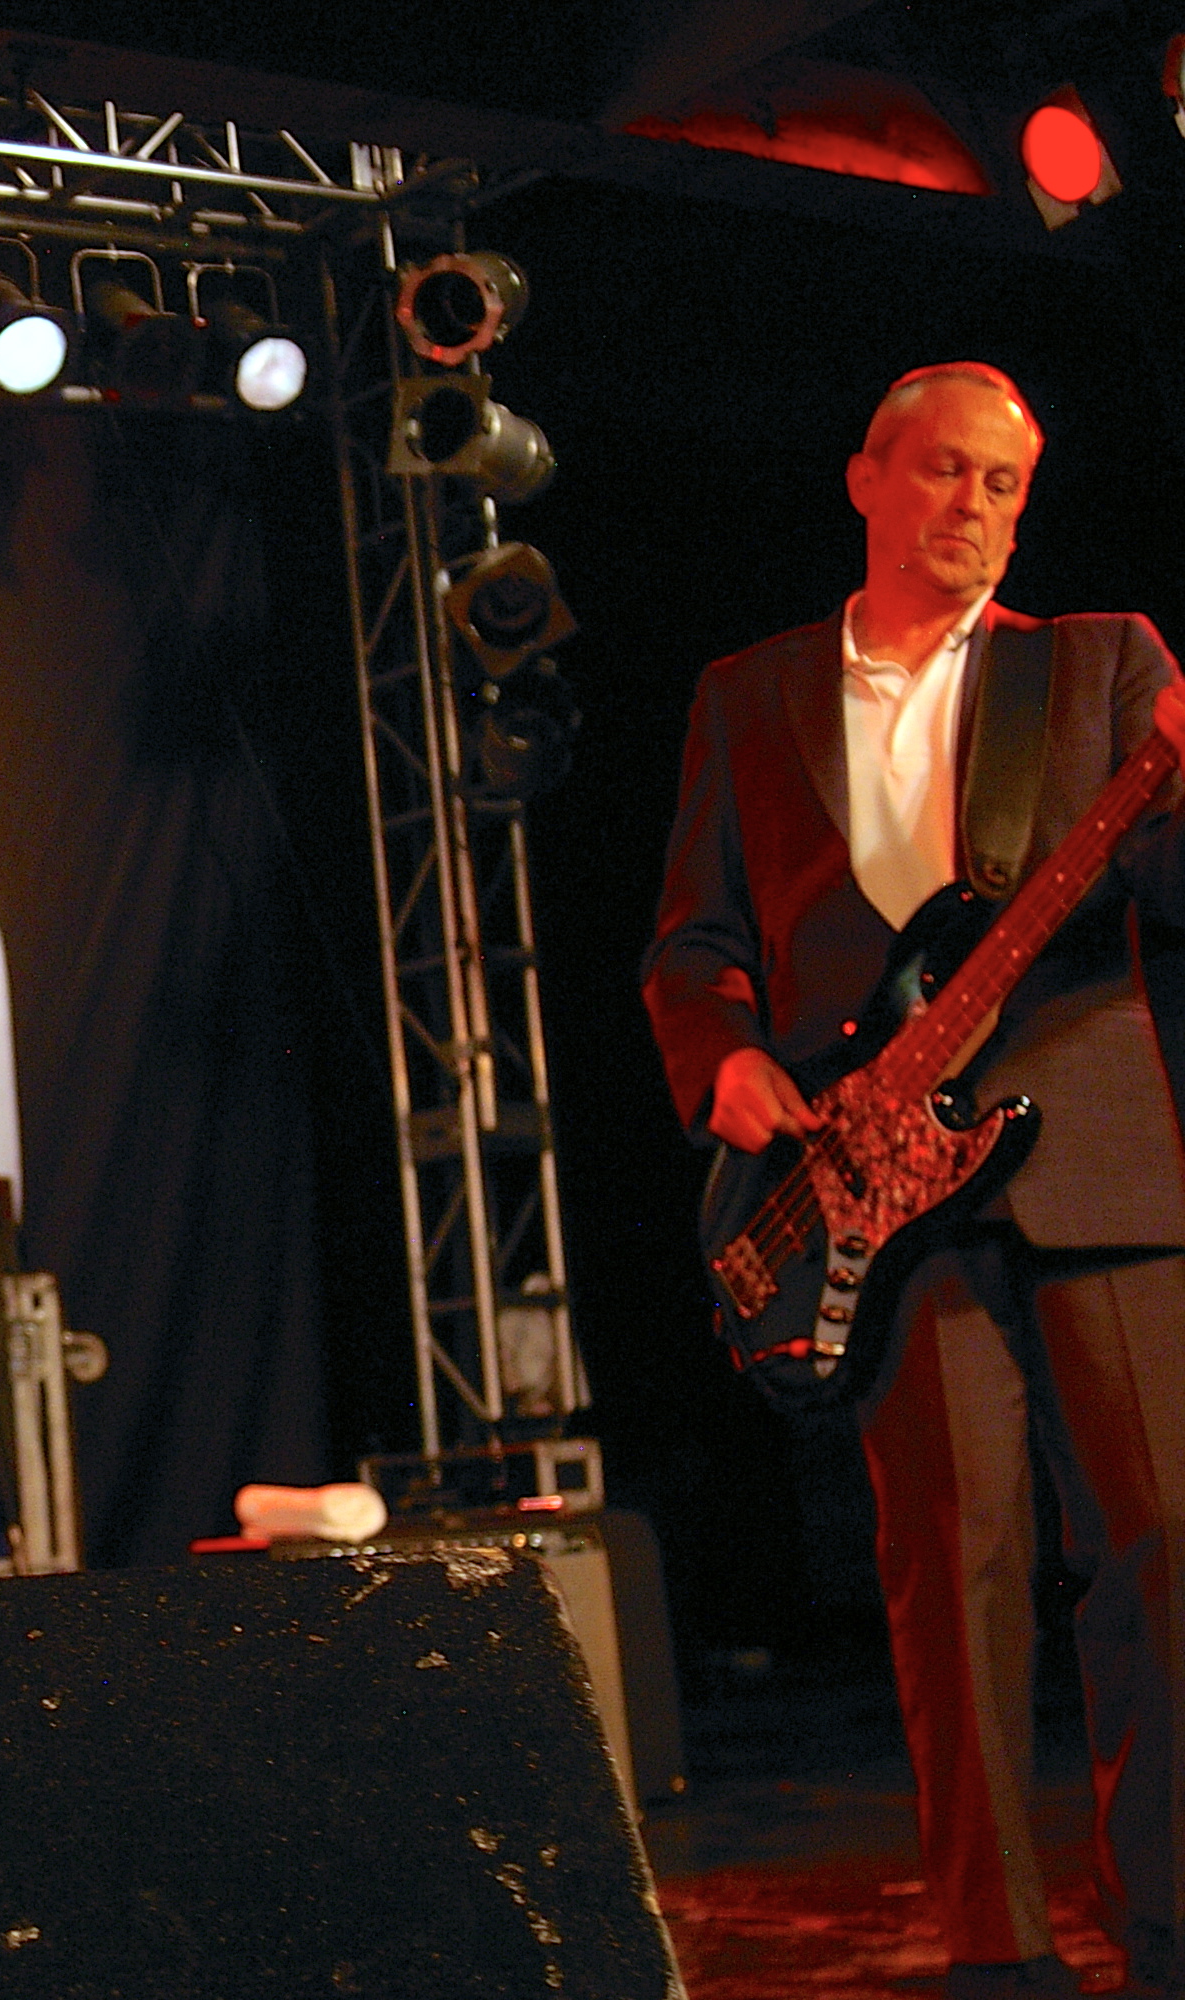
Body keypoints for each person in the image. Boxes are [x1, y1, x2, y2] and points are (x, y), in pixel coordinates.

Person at [643, 363, 1185, 2000]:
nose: (975, 508)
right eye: (946, 471)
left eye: (1004, 485)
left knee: (1164, 1544)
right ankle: (993, 1953)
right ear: (866, 478)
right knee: (954, 1569)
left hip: (1091, 1153)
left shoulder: (1102, 659)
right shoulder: (747, 695)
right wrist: (725, 1065)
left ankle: (1170, 1923)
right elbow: (693, 941)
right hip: (865, 1184)